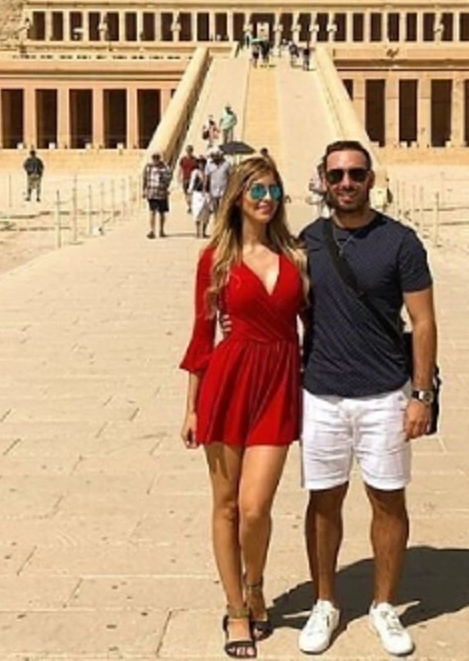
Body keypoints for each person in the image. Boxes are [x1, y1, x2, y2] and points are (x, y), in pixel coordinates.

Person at [296, 139, 438, 657]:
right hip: (323, 394)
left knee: (388, 497)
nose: (347, 183)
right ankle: (325, 601)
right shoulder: (307, 241)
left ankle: (383, 605)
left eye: (356, 174)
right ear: (323, 180)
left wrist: (420, 394)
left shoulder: (400, 242)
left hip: (385, 394)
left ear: (371, 179)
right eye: (337, 175)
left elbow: (422, 321)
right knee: (323, 500)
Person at [179, 155, 308, 659]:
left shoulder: (297, 255)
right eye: (255, 190)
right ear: (236, 197)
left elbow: (317, 323)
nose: (265, 199)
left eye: (273, 190)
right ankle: (236, 607)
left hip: (278, 382)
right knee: (227, 504)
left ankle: (256, 583)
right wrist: (190, 407)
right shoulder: (215, 259)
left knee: (256, 508)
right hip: (227, 381)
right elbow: (201, 333)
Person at [142, 152, 173, 239]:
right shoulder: (148, 167)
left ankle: (161, 230)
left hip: (161, 193)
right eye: (154, 158)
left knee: (162, 213)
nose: (155, 160)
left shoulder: (165, 167)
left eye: (157, 158)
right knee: (152, 212)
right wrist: (144, 190)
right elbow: (145, 178)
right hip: (151, 192)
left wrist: (166, 186)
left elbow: (169, 177)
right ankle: (152, 230)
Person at [189, 156, 212, 238]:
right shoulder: (195, 172)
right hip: (197, 194)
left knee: (206, 214)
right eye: (200, 163)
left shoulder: (208, 172)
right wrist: (190, 193)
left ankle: (203, 232)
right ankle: (197, 232)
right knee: (197, 212)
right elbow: (192, 183)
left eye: (202, 163)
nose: (201, 164)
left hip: (207, 194)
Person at [206, 149, 232, 215]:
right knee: (215, 208)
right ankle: (216, 219)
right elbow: (207, 177)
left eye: (215, 156)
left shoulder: (227, 164)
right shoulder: (209, 165)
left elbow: (231, 176)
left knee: (223, 208)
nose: (214, 158)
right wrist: (206, 188)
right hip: (213, 190)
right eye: (213, 156)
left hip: (224, 190)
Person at [179, 145, 199, 213]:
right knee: (186, 194)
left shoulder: (195, 160)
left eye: (190, 151)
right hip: (185, 178)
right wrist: (179, 176)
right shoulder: (183, 159)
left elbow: (198, 169)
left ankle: (191, 207)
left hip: (192, 179)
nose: (189, 152)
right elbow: (180, 168)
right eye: (188, 151)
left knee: (192, 193)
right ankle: (189, 205)